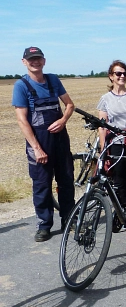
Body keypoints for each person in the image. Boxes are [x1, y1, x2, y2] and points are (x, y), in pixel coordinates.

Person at [12, 47, 75, 242]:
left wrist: (63, 120)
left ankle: (69, 220)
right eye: (31, 59)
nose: (35, 62)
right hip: (39, 142)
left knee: (66, 182)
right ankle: (44, 225)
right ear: (24, 62)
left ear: (44, 61)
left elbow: (70, 105)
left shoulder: (53, 80)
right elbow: (22, 121)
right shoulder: (21, 86)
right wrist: (37, 148)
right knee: (42, 186)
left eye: (38, 59)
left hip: (60, 140)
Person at [97, 60, 126, 216]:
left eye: (124, 73)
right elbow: (102, 126)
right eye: (118, 73)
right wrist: (104, 149)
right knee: (119, 179)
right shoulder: (105, 99)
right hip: (116, 143)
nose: (122, 76)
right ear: (111, 76)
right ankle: (123, 211)